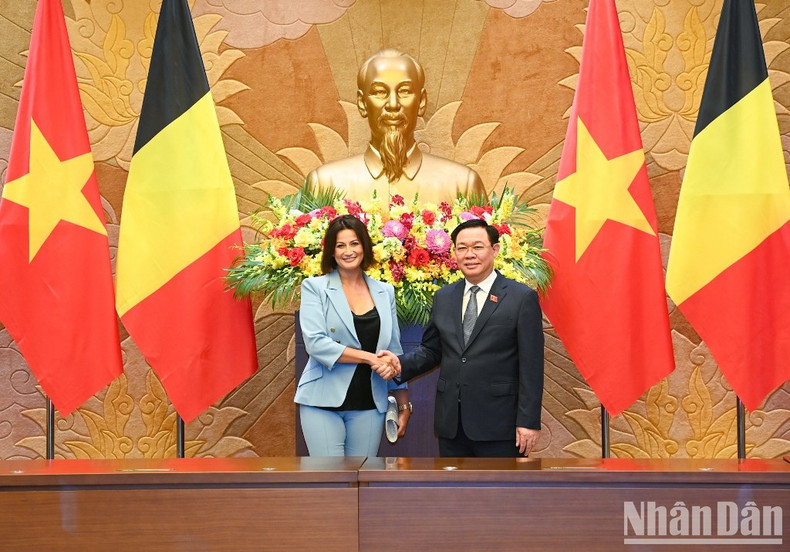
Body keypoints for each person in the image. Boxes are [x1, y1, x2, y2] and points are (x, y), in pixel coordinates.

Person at [381, 219, 544, 457]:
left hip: (500, 425)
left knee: (499, 493)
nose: (470, 255)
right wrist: (400, 364)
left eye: (478, 247)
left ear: (495, 250)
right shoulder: (444, 297)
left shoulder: (521, 298)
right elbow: (432, 350)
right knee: (454, 493)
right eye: (462, 248)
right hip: (452, 425)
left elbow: (532, 366)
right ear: (454, 252)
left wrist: (528, 421)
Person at [307, 48, 486, 205]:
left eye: (405, 91)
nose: (393, 104)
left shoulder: (462, 185)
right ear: (362, 103)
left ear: (422, 101)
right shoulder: (325, 184)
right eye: (379, 92)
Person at [295, 214, 411, 456]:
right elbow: (316, 344)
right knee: (331, 480)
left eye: (354, 243)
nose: (348, 251)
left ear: (364, 246)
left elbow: (393, 349)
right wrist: (370, 358)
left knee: (363, 479)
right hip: (322, 401)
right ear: (331, 251)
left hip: (370, 402)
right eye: (340, 245)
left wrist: (403, 402)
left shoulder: (385, 291)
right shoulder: (314, 287)